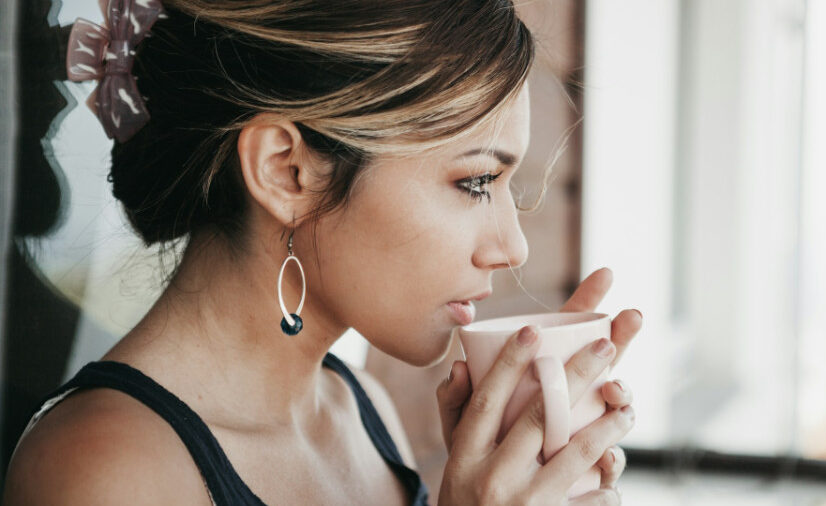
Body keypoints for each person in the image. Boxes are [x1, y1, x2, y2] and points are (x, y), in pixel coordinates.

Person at [4, 0, 643, 504]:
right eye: (474, 182)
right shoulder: (105, 471)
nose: (513, 247)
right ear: (287, 173)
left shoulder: (364, 412)